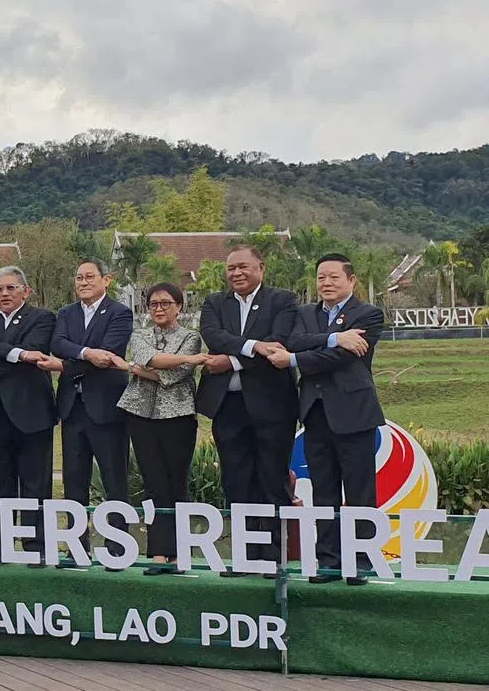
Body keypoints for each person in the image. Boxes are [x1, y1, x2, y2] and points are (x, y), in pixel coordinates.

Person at [266, 253, 385, 586]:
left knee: (360, 491)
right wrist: (335, 336)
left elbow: (342, 357)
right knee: (324, 490)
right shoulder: (305, 313)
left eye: (334, 277)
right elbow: (294, 340)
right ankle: (329, 560)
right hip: (315, 413)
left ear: (351, 280)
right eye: (321, 277)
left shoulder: (368, 314)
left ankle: (361, 561)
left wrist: (294, 359)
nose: (326, 283)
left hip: (354, 413)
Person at [195, 246, 299, 575]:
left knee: (273, 479)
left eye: (243, 267)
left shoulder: (283, 300)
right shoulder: (215, 303)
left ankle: (274, 558)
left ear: (261, 268)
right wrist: (254, 346)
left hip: (273, 406)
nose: (236, 273)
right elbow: (213, 335)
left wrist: (232, 360)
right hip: (228, 405)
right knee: (236, 481)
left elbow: (278, 342)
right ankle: (245, 557)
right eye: (231, 268)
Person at [38, 259, 133, 567]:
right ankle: (76, 549)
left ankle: (118, 549)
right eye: (79, 277)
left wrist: (68, 362)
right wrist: (87, 353)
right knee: (73, 481)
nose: (83, 282)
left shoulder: (120, 313)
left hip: (106, 408)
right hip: (72, 407)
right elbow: (58, 344)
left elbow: (110, 354)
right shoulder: (66, 313)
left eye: (89, 276)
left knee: (114, 479)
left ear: (106, 280)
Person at [115, 283, 207, 576]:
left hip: (178, 415)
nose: (159, 309)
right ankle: (158, 552)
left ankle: (179, 553)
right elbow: (151, 359)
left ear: (179, 306)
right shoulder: (140, 334)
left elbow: (174, 375)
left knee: (176, 482)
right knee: (153, 483)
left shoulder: (191, 336)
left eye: (166, 303)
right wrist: (179, 361)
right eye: (153, 304)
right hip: (140, 415)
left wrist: (134, 368)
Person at [0, 266, 57, 565]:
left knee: (35, 484)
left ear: (26, 291)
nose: (4, 294)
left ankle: (36, 546)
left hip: (32, 412)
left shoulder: (43, 318)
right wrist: (19, 355)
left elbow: (36, 350)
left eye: (10, 288)